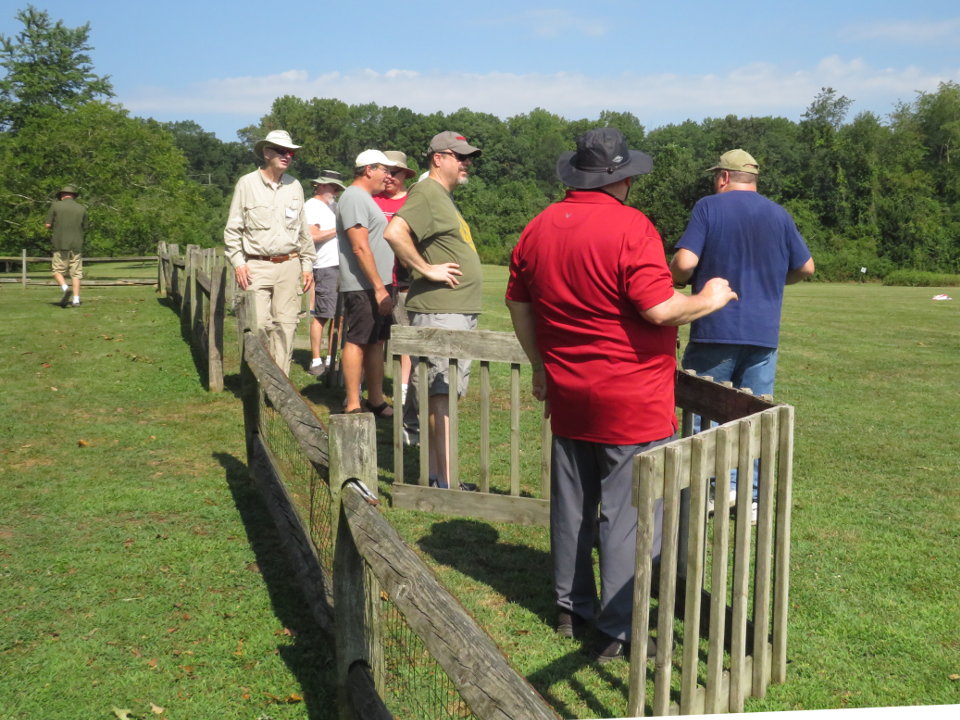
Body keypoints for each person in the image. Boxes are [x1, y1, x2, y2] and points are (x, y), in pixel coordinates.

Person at [504, 127, 738, 663]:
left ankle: (569, 607)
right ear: (624, 178)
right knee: (628, 512)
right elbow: (658, 308)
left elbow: (519, 306)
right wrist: (709, 297)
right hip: (631, 395)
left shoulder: (537, 228)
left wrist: (541, 366)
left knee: (572, 504)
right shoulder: (633, 228)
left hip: (568, 389)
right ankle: (617, 627)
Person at [670, 149, 814, 515]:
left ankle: (699, 491)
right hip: (763, 333)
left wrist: (675, 275)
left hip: (715, 328)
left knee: (703, 412)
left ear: (723, 177)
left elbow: (685, 264)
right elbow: (807, 267)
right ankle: (746, 496)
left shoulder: (708, 207)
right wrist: (776, 281)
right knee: (753, 416)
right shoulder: (779, 214)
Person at [384, 132, 483, 491]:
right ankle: (447, 481)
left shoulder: (440, 196)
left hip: (453, 310)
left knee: (441, 394)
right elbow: (394, 232)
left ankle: (437, 476)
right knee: (441, 392)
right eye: (460, 157)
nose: (466, 162)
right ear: (438, 158)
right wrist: (426, 269)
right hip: (442, 311)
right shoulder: (426, 192)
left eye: (467, 157)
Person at [224, 129, 315, 376]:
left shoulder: (294, 185)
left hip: (289, 265)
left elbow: (303, 230)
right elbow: (233, 229)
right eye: (282, 151)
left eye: (291, 152)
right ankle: (259, 379)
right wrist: (238, 263)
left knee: (286, 326)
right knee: (258, 325)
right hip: (256, 266)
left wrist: (307, 265)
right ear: (266, 153)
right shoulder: (247, 184)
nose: (288, 156)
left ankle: (280, 386)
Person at [336, 150, 398, 416]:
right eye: (385, 170)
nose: (388, 176)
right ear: (369, 169)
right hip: (364, 286)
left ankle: (376, 400)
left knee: (376, 341)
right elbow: (360, 247)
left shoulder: (365, 198)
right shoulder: (353, 197)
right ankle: (352, 404)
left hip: (375, 285)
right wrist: (378, 287)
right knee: (358, 340)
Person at [374, 151, 418, 439]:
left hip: (403, 284)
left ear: (404, 176)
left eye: (396, 172)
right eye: (386, 171)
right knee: (374, 341)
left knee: (405, 342)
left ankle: (403, 392)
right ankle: (374, 395)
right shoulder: (371, 200)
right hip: (376, 282)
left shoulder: (411, 202)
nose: (390, 177)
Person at [305, 171, 346, 377]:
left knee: (339, 316)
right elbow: (313, 236)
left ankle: (331, 357)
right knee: (322, 314)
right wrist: (338, 230)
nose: (336, 191)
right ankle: (315, 360)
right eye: (333, 187)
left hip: (341, 266)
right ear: (320, 186)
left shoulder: (333, 206)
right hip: (325, 266)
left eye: (338, 188)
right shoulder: (311, 206)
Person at [46, 185, 88, 307]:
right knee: (76, 273)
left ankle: (65, 289)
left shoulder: (55, 206)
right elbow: (85, 227)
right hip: (76, 244)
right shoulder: (82, 208)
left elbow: (47, 225)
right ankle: (76, 300)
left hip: (60, 243)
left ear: (61, 195)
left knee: (57, 271)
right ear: (73, 196)